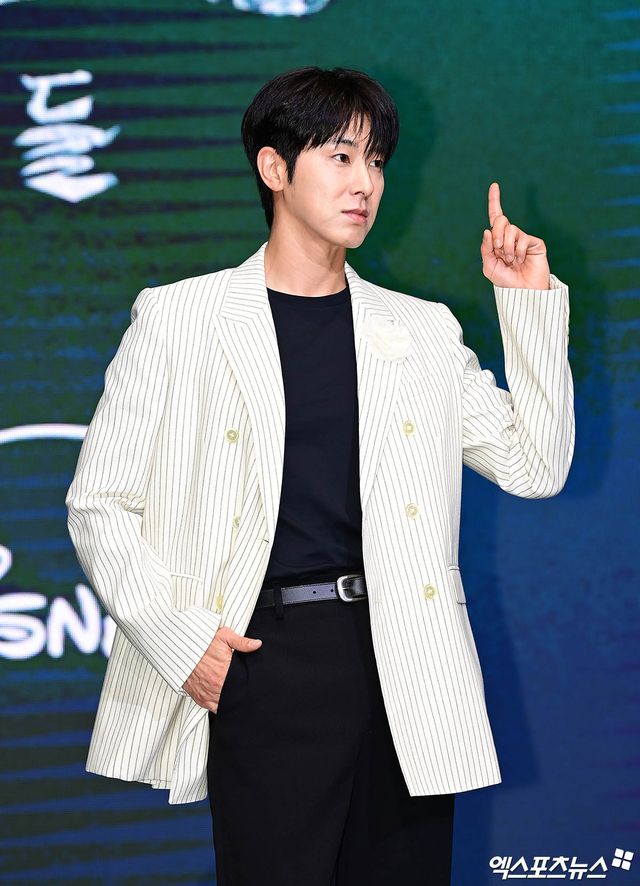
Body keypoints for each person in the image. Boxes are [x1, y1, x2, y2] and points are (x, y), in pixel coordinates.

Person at [65, 66, 575, 886]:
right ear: (275, 168)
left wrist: (530, 307)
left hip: (408, 664)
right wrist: (184, 642)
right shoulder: (180, 318)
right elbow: (99, 503)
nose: (364, 183)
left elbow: (535, 465)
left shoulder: (421, 330)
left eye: (376, 162)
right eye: (340, 157)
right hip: (266, 659)